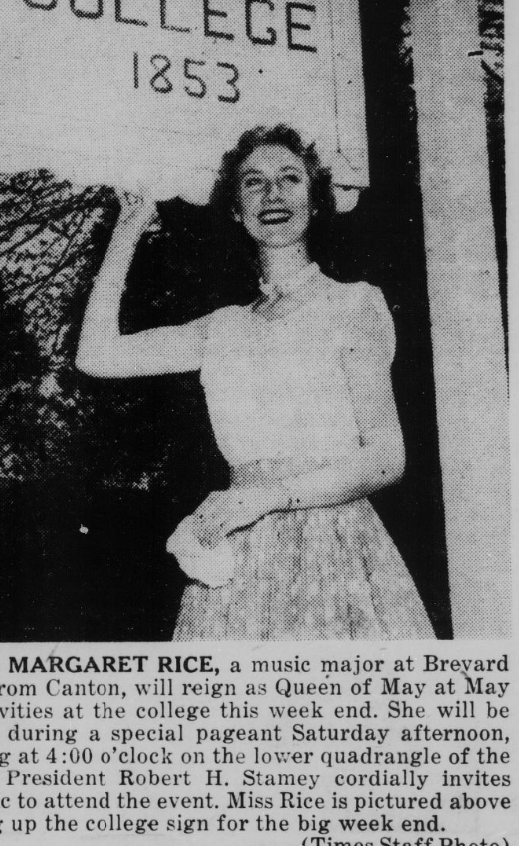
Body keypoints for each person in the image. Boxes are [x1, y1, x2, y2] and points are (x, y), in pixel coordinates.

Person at [76, 125, 434, 640]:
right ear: (236, 212)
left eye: (290, 178)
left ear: (314, 205)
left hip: (332, 542)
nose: (273, 193)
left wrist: (269, 498)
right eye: (253, 182)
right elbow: (97, 355)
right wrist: (128, 229)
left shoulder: (354, 305)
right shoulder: (222, 327)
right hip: (239, 551)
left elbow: (385, 458)